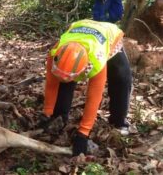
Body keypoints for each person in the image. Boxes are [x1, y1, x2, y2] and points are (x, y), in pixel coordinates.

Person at [39, 19, 132, 156]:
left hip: (109, 36)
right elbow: (52, 84)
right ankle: (60, 116)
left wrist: (83, 133)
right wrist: (48, 112)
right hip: (79, 31)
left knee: (121, 78)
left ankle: (119, 120)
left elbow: (94, 97)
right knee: (64, 82)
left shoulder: (96, 61)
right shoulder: (55, 53)